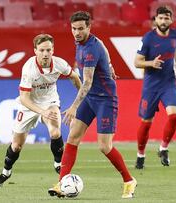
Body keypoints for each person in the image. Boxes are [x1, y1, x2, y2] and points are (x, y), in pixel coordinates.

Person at [48, 11, 137, 199]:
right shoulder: (83, 42)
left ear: (89, 27)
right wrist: (109, 66)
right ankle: (62, 183)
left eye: (81, 29)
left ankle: (129, 180)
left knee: (104, 146)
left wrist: (73, 107)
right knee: (72, 137)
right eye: (74, 29)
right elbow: (103, 50)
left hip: (105, 99)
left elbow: (87, 82)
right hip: (91, 99)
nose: (77, 32)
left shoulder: (91, 48)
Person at [0, 34, 82, 188]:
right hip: (29, 106)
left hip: (50, 102)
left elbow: (74, 77)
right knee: (16, 146)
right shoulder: (29, 68)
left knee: (55, 132)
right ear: (35, 51)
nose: (45, 53)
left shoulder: (59, 64)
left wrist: (82, 94)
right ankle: (6, 172)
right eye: (42, 50)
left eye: (48, 50)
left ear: (53, 50)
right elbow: (24, 98)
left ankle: (58, 163)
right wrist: (42, 112)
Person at [134, 6, 176, 170]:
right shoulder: (148, 38)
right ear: (155, 20)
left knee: (174, 115)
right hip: (151, 86)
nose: (163, 21)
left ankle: (163, 148)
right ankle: (140, 155)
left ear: (171, 20)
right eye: (160, 18)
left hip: (169, 83)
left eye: (166, 18)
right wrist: (151, 63)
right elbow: (136, 62)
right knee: (146, 122)